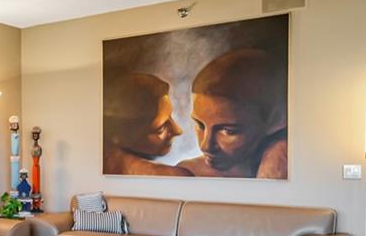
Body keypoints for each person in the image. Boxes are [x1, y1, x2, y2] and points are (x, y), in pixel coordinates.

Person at [180, 48, 288, 178]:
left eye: (228, 131)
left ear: (276, 120)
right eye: (200, 125)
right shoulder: (186, 173)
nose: (205, 146)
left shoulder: (286, 161)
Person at [103, 71, 191, 176]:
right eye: (160, 129)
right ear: (121, 135)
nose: (178, 130)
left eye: (170, 117)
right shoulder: (173, 175)